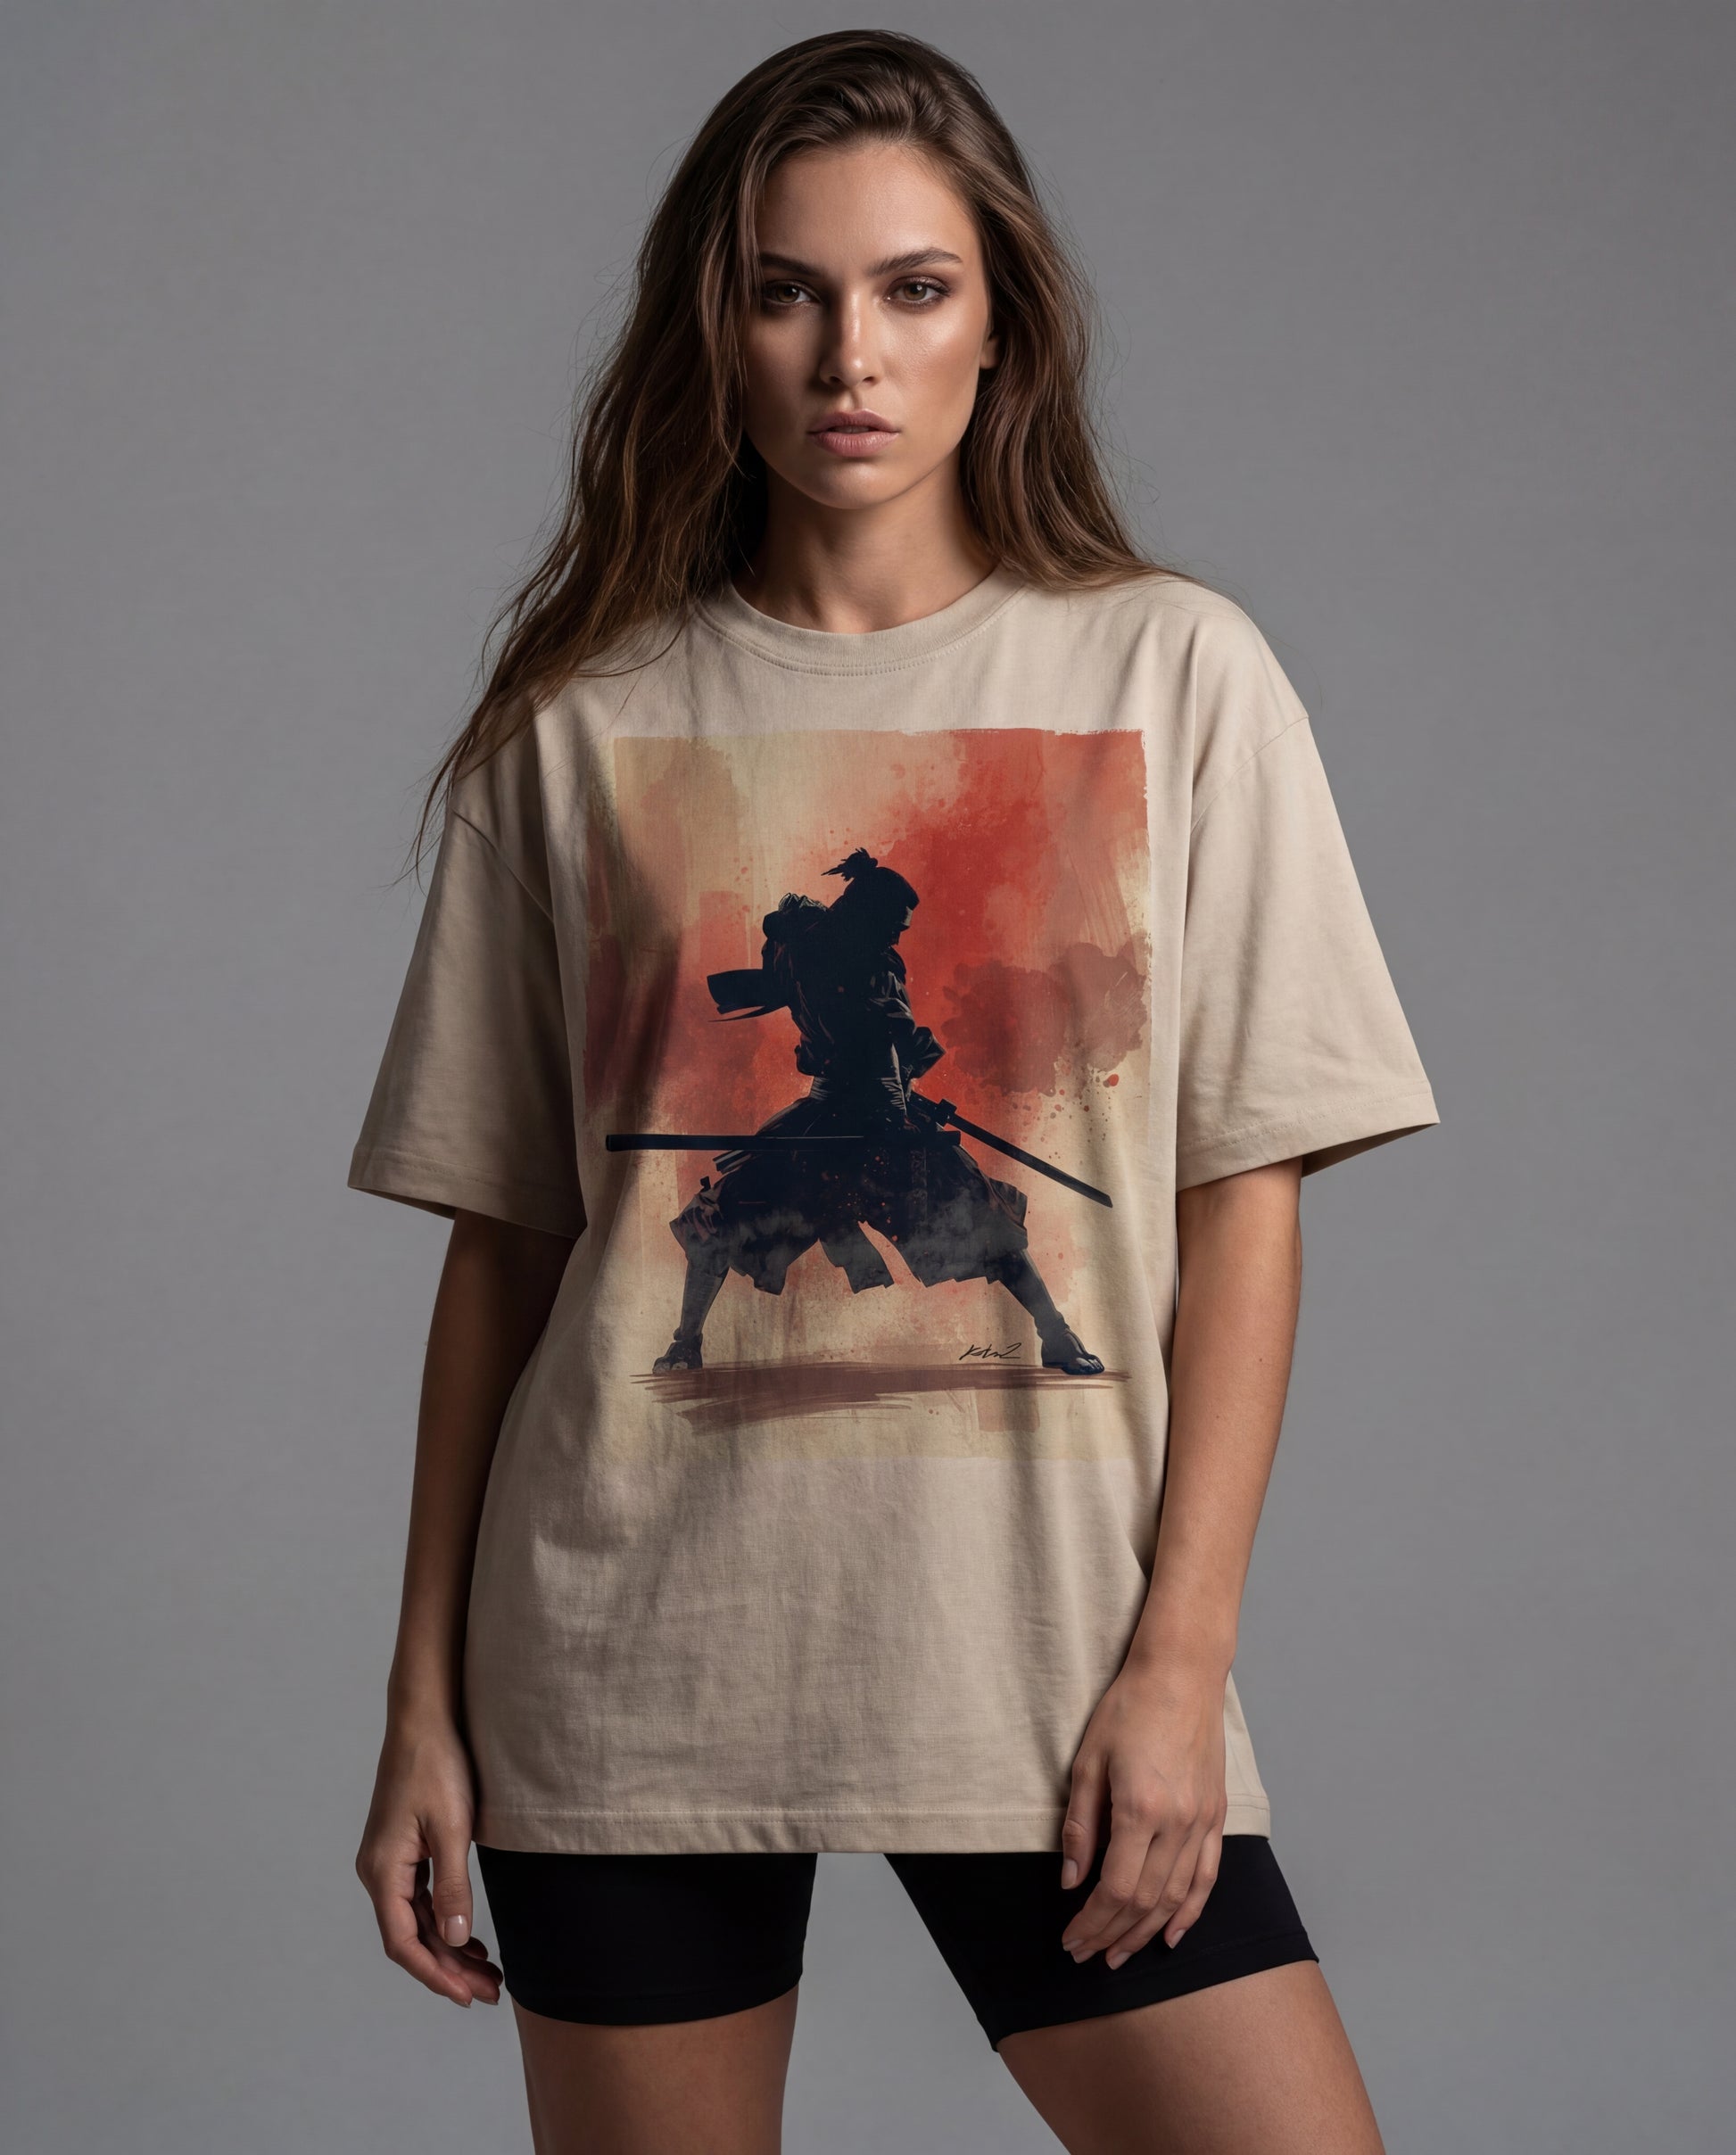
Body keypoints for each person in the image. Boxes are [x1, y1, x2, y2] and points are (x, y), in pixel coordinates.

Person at [348, 29, 1438, 2154]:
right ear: (716, 327)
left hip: (1043, 1661)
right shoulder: (576, 726)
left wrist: (1178, 1662)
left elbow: (1244, 1197)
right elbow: (505, 1247)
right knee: (744, 1202)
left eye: (913, 289)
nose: (850, 355)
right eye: (787, 292)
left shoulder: (1173, 674)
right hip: (622, 1662)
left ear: (999, 324)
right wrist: (420, 1705)